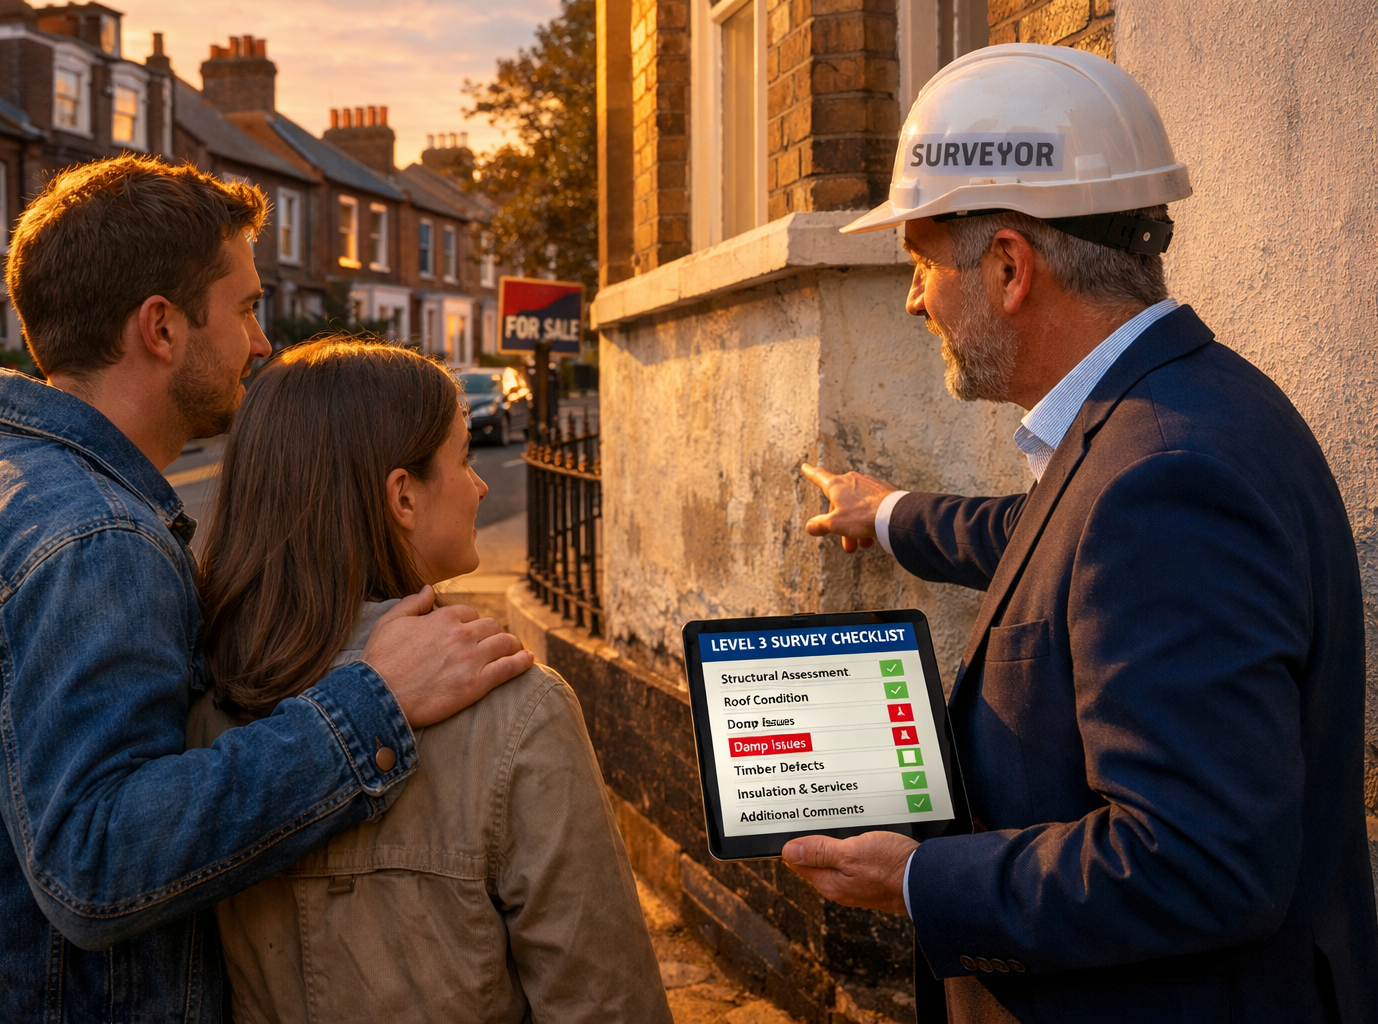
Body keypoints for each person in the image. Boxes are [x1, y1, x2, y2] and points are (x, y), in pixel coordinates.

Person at [0, 157, 532, 1023]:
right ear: (162, 329)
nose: (262, 343)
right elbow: (94, 864)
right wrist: (374, 703)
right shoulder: (95, 542)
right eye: (247, 307)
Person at [783, 44, 1378, 1023]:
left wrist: (924, 879)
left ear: (1011, 266)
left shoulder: (1166, 475)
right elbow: (1047, 542)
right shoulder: (1173, 413)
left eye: (922, 261)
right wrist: (883, 512)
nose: (914, 296)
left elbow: (1197, 860)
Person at [184, 337, 671, 1024]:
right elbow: (602, 1001)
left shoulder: (201, 712)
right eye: (464, 456)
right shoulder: (517, 710)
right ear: (403, 495)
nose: (478, 484)